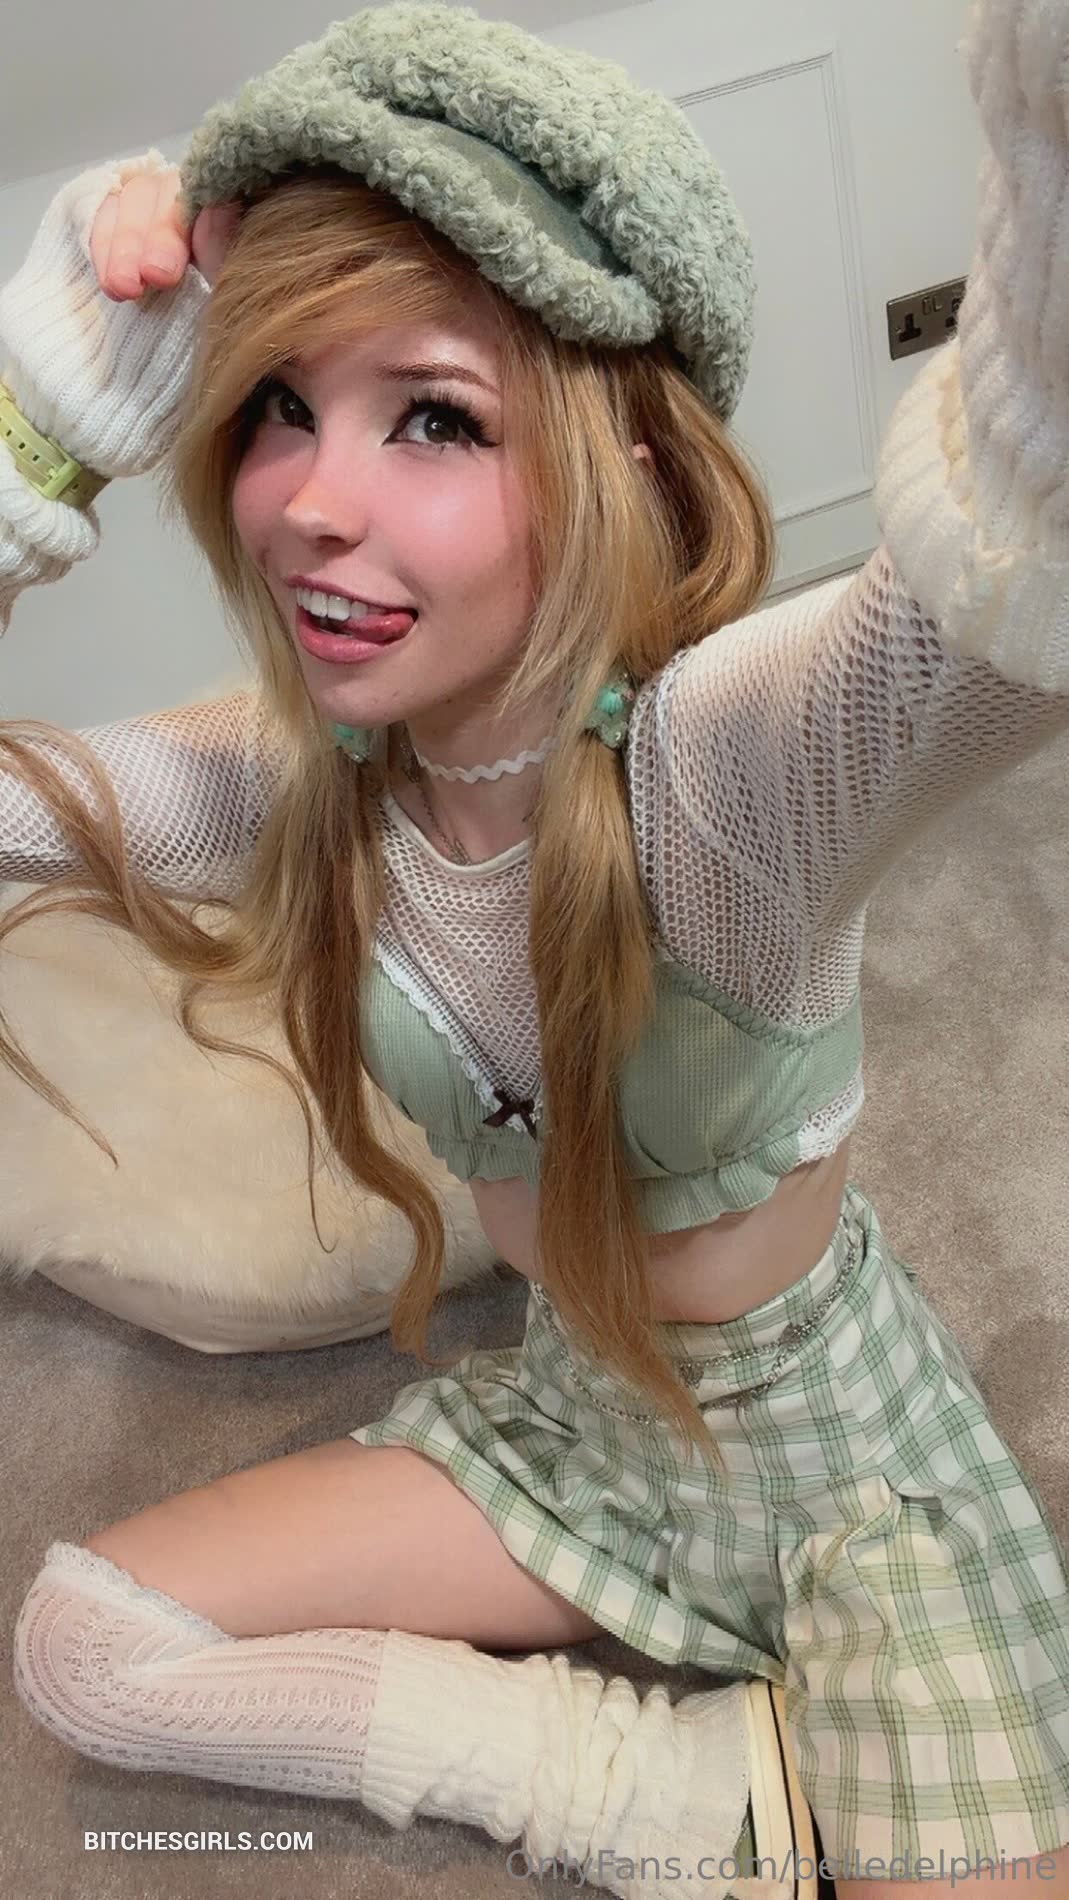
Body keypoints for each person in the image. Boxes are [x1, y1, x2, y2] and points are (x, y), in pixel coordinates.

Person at [4, 1, 1069, 1895]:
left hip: (844, 1483)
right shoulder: (293, 787)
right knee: (83, 1642)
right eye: (278, 403)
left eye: (433, 416)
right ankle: (685, 1795)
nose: (310, 501)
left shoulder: (729, 768)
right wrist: (35, 437)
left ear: (621, 463)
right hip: (572, 1432)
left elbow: (1011, 555)